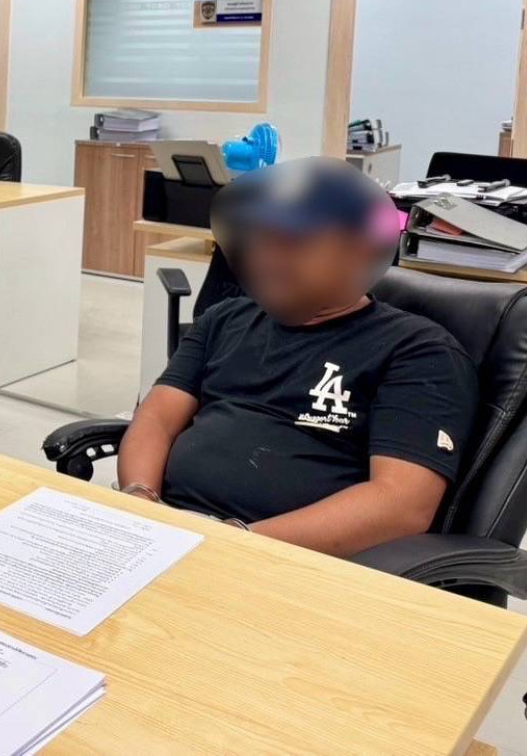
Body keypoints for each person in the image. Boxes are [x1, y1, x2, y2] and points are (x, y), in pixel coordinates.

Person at [117, 157, 477, 558]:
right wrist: (139, 502)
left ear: (358, 252)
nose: (265, 259)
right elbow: (156, 417)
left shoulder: (418, 351)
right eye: (259, 240)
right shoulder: (225, 319)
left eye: (292, 242)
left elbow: (400, 505)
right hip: (170, 533)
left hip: (283, 559)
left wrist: (231, 542)